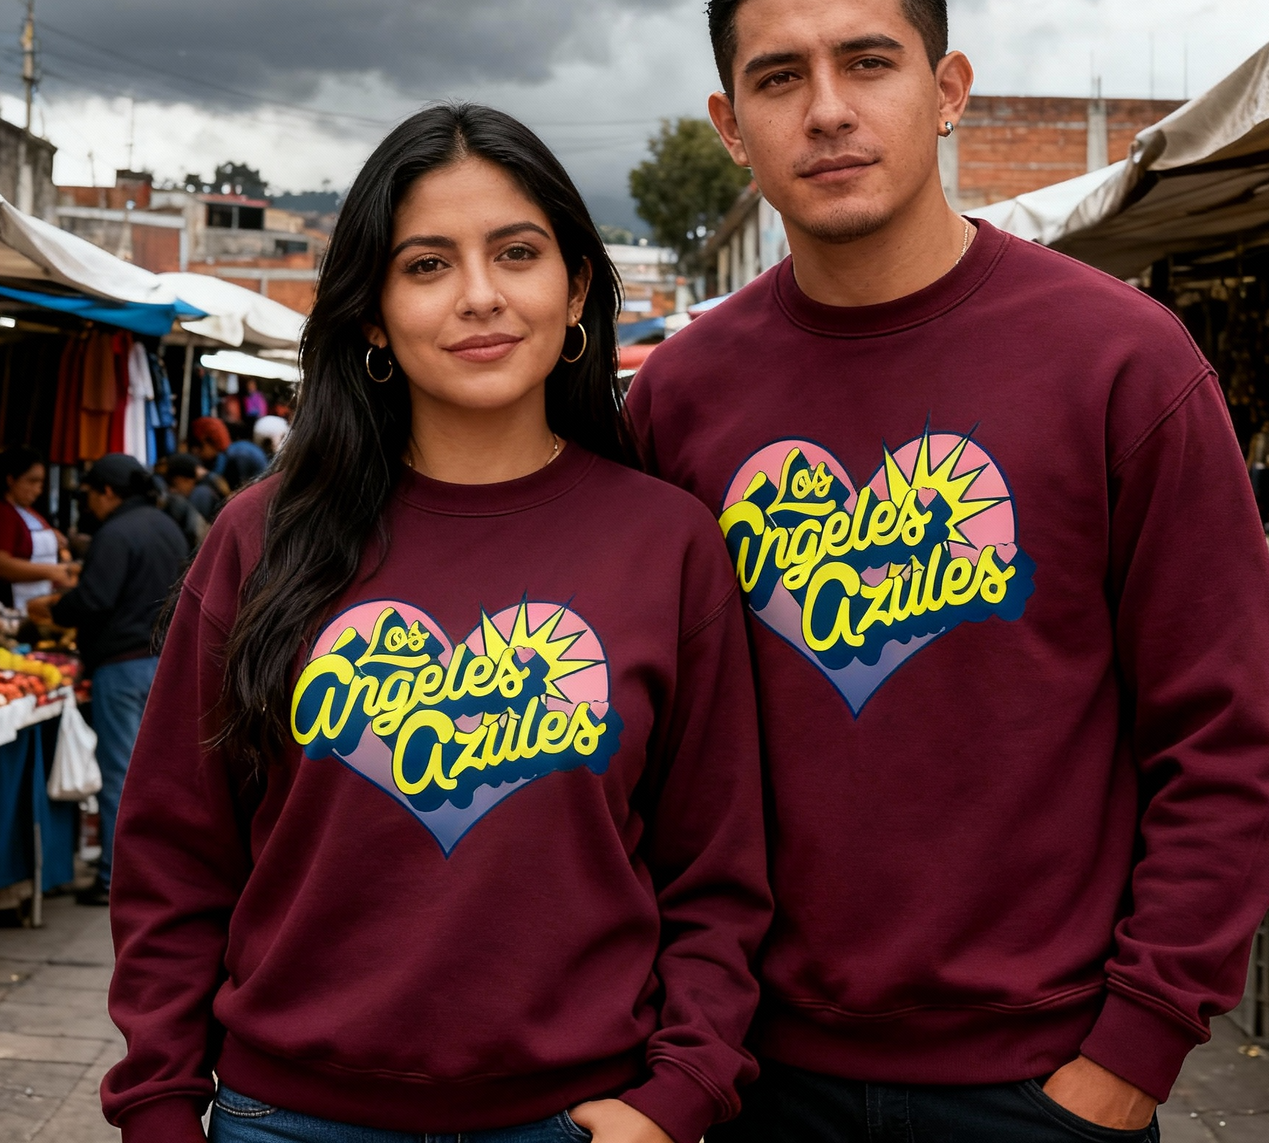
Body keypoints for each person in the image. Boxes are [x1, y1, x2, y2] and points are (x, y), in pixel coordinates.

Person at [626, 0, 1269, 1142]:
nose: (826, 110)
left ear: (948, 91)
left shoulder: (1123, 365)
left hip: (1044, 1087)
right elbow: (641, 743)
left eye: (868, 63)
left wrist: (1133, 1051)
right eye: (780, 78)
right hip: (753, 1077)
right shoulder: (679, 399)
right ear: (731, 128)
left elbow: (1226, 735)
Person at [103, 104, 770, 1143]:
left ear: (577, 285)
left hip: (578, 1122)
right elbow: (173, 859)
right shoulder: (258, 540)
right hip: (286, 1119)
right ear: (372, 313)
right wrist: (156, 1110)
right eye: (426, 266)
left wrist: (680, 1094)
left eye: (517, 253)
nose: (479, 297)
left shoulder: (669, 544)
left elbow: (715, 872)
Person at [40, 453, 188, 906]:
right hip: (162, 663)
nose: (89, 503)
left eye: (89, 494)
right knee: (153, 774)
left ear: (107, 492)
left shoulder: (115, 533)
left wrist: (53, 610)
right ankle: (151, 874)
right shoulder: (166, 527)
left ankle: (113, 877)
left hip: (122, 668)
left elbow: (95, 599)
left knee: (119, 776)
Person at [0, 446, 76, 608]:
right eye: (32, 481)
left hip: (40, 599)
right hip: (8, 604)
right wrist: (53, 572)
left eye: (41, 483)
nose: (38, 490)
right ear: (11, 479)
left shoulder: (31, 513)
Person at [187, 415, 267, 492]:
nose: (196, 451)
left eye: (199, 445)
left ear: (208, 442)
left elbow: (240, 490)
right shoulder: (230, 453)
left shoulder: (238, 455)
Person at [159, 454, 211, 551]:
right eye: (192, 482)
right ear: (181, 480)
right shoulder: (179, 504)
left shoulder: (158, 499)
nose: (192, 487)